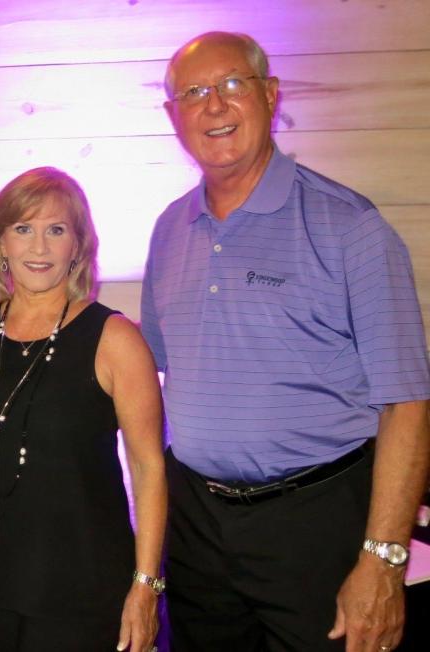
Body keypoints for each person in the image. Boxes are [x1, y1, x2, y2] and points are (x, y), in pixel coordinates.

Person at [141, 31, 430, 652]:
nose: (213, 105)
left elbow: (406, 402)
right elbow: (153, 374)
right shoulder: (168, 231)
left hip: (318, 522)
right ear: (174, 117)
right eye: (193, 93)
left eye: (231, 85)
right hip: (197, 528)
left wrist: (383, 559)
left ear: (271, 96)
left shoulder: (350, 227)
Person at [0, 167, 167, 652]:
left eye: (56, 230)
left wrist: (146, 586)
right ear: (1, 242)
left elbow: (149, 468)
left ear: (77, 246)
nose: (38, 247)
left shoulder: (114, 338)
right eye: (23, 229)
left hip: (83, 592)